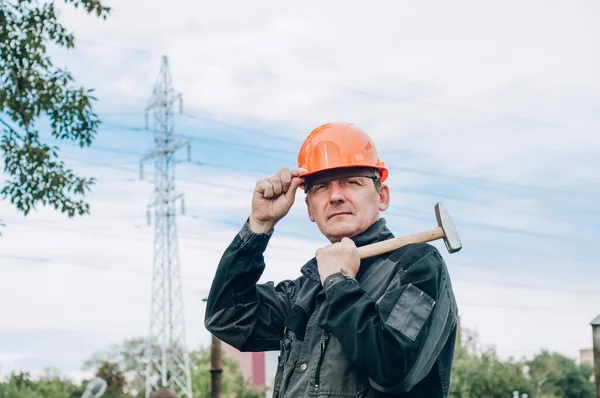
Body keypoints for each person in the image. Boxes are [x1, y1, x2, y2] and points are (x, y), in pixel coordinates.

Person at [204, 123, 459, 397]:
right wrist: (258, 226)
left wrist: (339, 284)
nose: (336, 196)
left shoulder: (417, 266)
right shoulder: (307, 290)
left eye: (351, 181)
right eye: (321, 187)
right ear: (310, 210)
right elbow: (227, 318)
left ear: (382, 196)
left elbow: (393, 370)